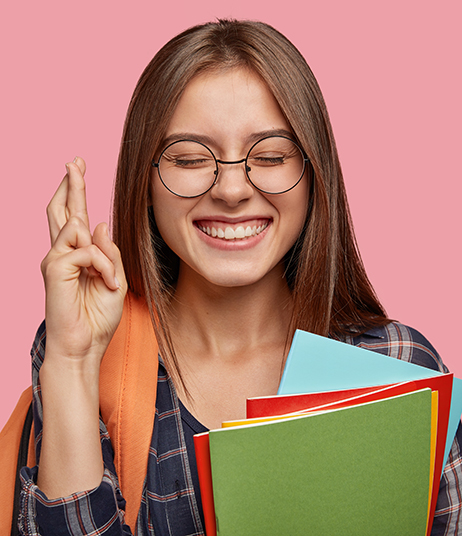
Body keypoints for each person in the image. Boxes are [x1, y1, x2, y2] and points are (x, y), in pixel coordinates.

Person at [17, 19, 461, 535]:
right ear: (145, 180)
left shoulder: (397, 367)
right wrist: (72, 362)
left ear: (315, 174)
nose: (231, 189)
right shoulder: (87, 356)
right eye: (188, 158)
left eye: (270, 155)